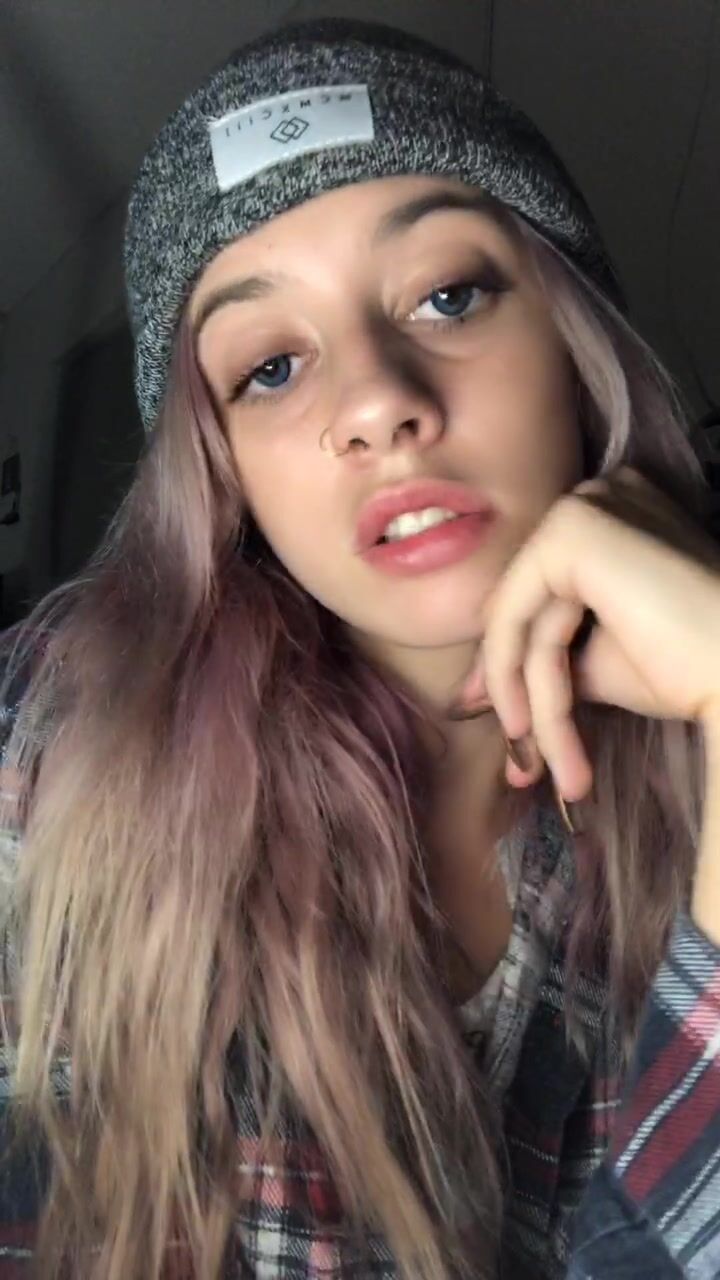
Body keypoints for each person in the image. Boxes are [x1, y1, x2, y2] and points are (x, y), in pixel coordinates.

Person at [2, 15, 720, 1279]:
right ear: (225, 479)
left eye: (450, 295)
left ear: (574, 343)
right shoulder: (51, 761)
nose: (378, 399)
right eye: (273, 366)